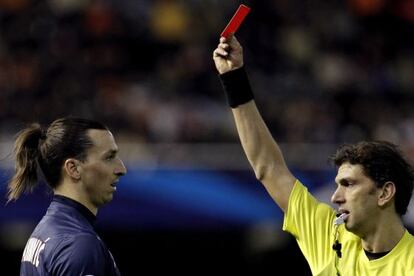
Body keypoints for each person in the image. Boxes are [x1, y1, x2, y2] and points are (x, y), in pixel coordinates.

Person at [213, 35, 414, 275]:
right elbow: (268, 168)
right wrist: (233, 78)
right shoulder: (327, 237)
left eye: (349, 184)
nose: (336, 197)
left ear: (385, 193)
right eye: (338, 184)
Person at [7, 117, 127, 275]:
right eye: (109, 157)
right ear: (73, 168)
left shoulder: (46, 232)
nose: (122, 169)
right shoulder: (78, 243)